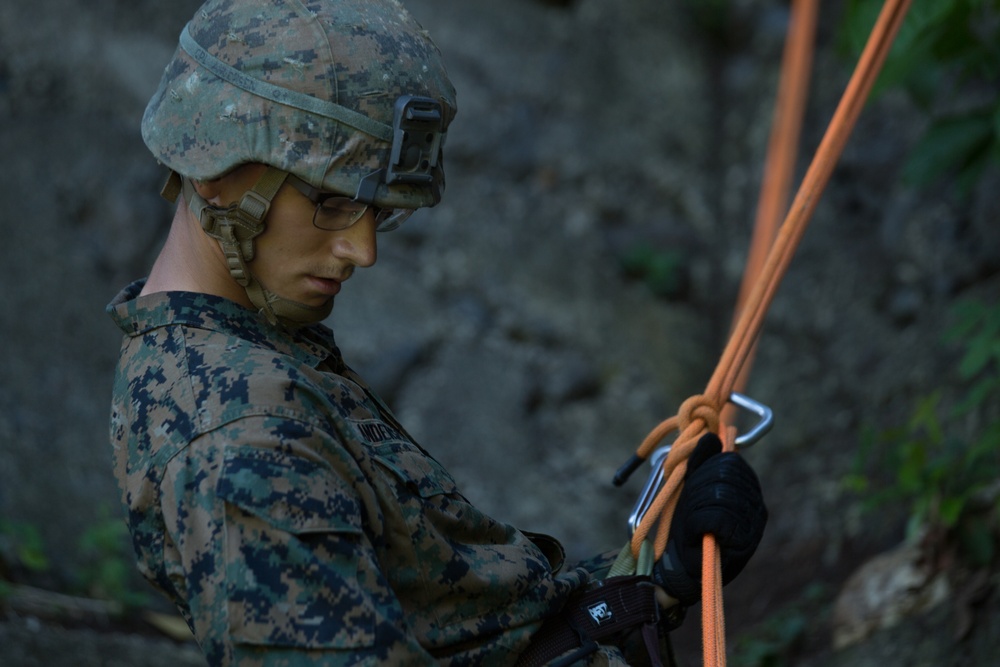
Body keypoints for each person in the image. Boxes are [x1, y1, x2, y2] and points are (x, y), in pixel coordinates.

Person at [107, 1, 768, 665]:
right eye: (331, 202)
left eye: (376, 212)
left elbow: (467, 628)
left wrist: (656, 578)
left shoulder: (258, 356)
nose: (363, 249)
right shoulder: (238, 430)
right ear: (218, 170)